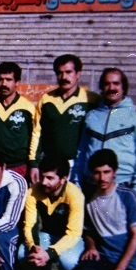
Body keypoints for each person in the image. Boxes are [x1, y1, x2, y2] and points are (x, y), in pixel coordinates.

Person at [75, 68, 136, 195]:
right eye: (107, 84)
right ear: (101, 87)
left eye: (116, 83)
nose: (111, 88)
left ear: (123, 87)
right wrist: (77, 181)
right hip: (91, 184)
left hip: (122, 184)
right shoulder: (91, 115)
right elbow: (82, 151)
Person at [28, 54, 101, 185]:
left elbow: (112, 110)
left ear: (78, 74)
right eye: (60, 73)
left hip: (80, 165)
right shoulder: (46, 99)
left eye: (68, 72)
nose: (64, 77)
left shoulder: (92, 100)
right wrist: (34, 162)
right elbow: (37, 133)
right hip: (51, 165)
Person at [18, 156, 85, 270]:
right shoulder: (33, 191)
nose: (44, 182)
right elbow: (30, 225)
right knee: (22, 253)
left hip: (71, 239)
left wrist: (49, 253)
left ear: (63, 179)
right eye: (42, 176)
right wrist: (34, 247)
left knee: (68, 261)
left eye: (50, 178)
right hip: (48, 235)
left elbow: (73, 233)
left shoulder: (75, 194)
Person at [0, 62, 36, 180]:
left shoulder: (28, 108)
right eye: (0, 79)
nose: (4, 84)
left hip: (20, 166)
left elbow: (34, 138)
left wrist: (33, 164)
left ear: (17, 82)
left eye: (8, 80)